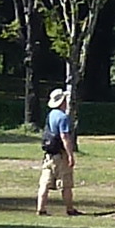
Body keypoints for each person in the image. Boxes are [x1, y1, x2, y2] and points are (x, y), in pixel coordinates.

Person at [34, 84, 79, 215]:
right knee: (66, 184)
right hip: (60, 155)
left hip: (49, 155)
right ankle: (70, 209)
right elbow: (65, 137)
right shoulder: (63, 117)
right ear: (63, 101)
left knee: (44, 184)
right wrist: (70, 155)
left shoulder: (51, 115)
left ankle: (41, 208)